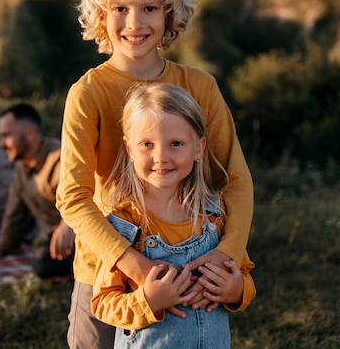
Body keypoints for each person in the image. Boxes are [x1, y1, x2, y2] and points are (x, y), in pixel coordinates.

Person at [55, 0, 255, 348]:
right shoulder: (88, 93)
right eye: (120, 9)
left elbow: (234, 179)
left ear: (169, 13)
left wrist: (228, 253)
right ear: (101, 15)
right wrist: (135, 264)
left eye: (149, 8)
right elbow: (73, 196)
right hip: (106, 271)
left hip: (192, 265)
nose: (135, 22)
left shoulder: (200, 86)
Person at [91, 83, 256, 348]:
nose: (161, 157)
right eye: (147, 144)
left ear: (199, 148)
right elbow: (103, 303)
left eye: (176, 143)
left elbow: (243, 274)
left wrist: (235, 291)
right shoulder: (125, 223)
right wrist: (148, 301)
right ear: (130, 149)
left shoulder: (214, 213)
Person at [0, 103, 75, 279]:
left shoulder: (61, 161)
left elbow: (85, 199)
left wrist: (68, 223)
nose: (1, 144)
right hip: (52, 240)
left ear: (29, 133)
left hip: (78, 237)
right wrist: (1, 249)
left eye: (6, 136)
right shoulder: (21, 166)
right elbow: (14, 213)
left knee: (42, 263)